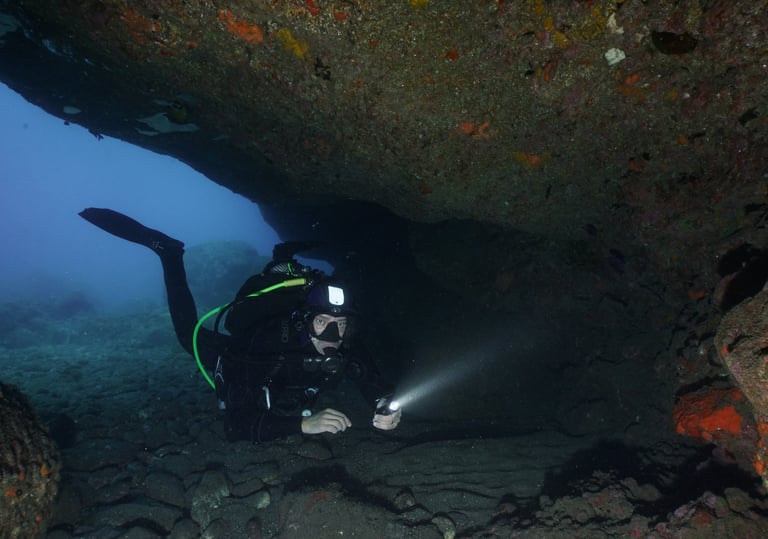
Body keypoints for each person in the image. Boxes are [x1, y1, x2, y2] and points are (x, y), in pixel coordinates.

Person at [79, 208, 402, 442]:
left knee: (283, 270)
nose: (333, 335)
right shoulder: (266, 346)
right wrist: (303, 425)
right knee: (186, 332)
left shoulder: (343, 343)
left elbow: (371, 380)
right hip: (235, 355)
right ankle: (169, 253)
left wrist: (384, 406)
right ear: (305, 322)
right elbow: (236, 426)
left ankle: (282, 258)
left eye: (340, 324)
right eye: (321, 321)